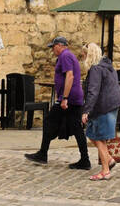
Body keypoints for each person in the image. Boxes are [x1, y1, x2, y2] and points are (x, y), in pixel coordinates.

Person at [24, 35, 91, 170]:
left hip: (69, 98)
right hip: (73, 97)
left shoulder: (65, 56)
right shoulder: (68, 55)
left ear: (60, 45)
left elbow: (70, 76)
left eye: (53, 47)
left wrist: (64, 98)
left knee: (49, 121)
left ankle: (43, 154)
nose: (52, 50)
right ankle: (85, 160)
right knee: (77, 128)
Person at [81, 47, 120, 181]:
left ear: (90, 54)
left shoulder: (96, 69)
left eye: (84, 55)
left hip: (105, 106)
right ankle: (108, 159)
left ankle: (105, 171)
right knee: (92, 134)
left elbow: (93, 91)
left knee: (99, 137)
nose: (83, 58)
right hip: (111, 104)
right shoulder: (107, 66)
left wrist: (86, 110)